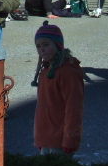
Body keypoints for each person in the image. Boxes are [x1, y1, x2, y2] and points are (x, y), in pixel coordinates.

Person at [33, 23, 83, 155]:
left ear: (57, 45)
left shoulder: (68, 71)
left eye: (46, 45)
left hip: (61, 141)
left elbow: (74, 108)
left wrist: (70, 139)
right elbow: (42, 109)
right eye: (38, 46)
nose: (41, 50)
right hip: (46, 138)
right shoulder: (46, 70)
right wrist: (40, 138)